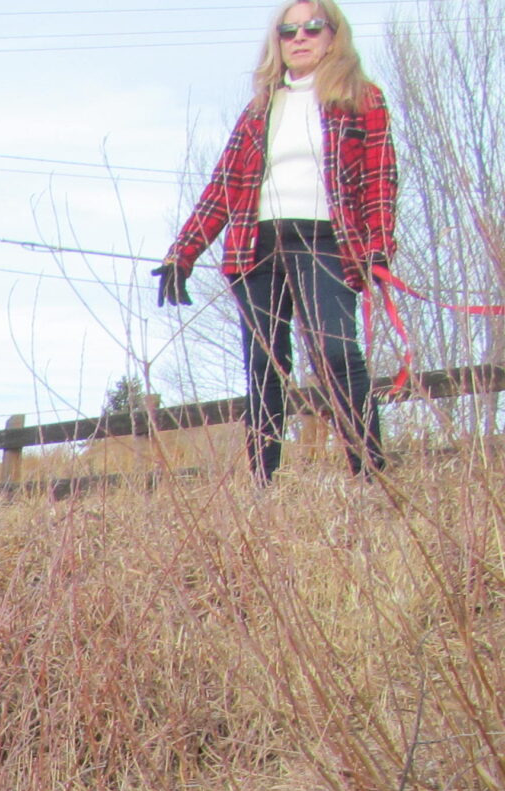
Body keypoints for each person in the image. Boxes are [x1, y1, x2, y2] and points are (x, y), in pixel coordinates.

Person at [158, 0, 396, 481]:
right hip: (256, 248)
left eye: (312, 27)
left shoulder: (361, 98)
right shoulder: (260, 108)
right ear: (278, 42)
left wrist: (378, 248)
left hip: (326, 242)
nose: (299, 38)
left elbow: (379, 180)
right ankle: (264, 485)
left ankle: (372, 478)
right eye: (288, 31)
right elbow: (223, 186)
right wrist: (182, 253)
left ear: (334, 35)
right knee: (264, 365)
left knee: (336, 353)